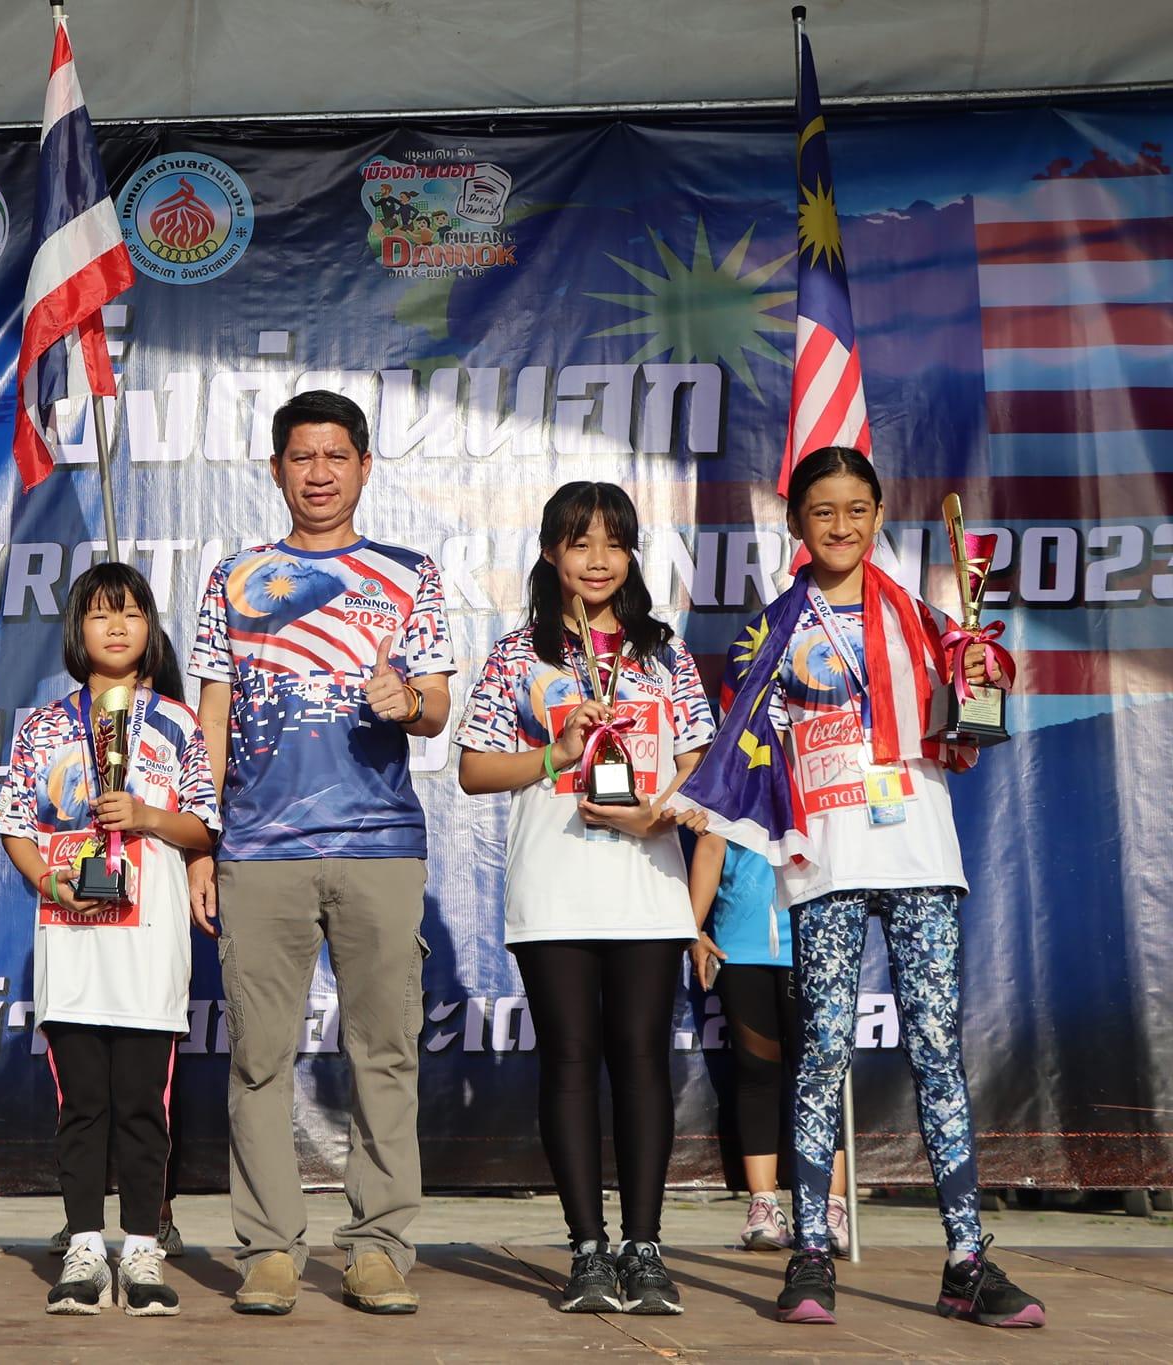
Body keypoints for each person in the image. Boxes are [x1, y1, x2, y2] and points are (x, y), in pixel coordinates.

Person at [673, 445, 1045, 1329]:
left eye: (856, 509)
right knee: (820, 1056)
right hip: (827, 864)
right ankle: (811, 1252)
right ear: (795, 523)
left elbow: (969, 722)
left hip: (921, 858)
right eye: (822, 511)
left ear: (878, 516)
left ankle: (966, 1260)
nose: (840, 525)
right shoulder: (770, 631)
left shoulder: (926, 619)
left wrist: (979, 674)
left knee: (938, 1054)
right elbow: (746, 751)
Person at [187, 389, 453, 1317]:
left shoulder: (409, 574)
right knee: (260, 1057)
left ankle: (377, 1245)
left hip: (381, 846)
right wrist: (200, 844)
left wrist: (405, 702)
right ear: (276, 469)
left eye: (337, 455)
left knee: (385, 1051)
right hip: (259, 849)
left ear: (365, 466)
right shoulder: (234, 578)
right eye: (302, 456)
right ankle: (269, 1248)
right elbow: (211, 718)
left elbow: (438, 706)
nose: (320, 472)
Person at [455, 481, 709, 1315]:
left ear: (632, 553)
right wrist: (555, 755)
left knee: (641, 1058)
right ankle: (588, 1250)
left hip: (647, 884)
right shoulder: (518, 655)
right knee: (568, 1058)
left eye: (613, 541)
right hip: (555, 885)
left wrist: (659, 811)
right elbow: (473, 768)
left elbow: (702, 762)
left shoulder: (663, 652)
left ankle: (645, 1248)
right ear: (550, 552)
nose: (598, 559)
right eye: (579, 541)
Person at [0, 563, 217, 1317]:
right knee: (82, 1102)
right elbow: (16, 825)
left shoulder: (177, 722)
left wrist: (147, 817)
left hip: (149, 940)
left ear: (151, 629)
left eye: (131, 613)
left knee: (144, 1105)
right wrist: (50, 883)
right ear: (75, 630)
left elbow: (204, 824)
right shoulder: (44, 727)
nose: (116, 626)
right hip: (73, 938)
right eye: (99, 613)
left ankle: (143, 1247)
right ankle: (86, 1246)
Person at [688, 832, 850, 1254]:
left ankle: (830, 1206)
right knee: (756, 1072)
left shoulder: (816, 781)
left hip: (817, 939)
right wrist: (694, 929)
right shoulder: (731, 784)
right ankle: (764, 1205)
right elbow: (711, 846)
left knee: (820, 1075)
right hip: (741, 944)